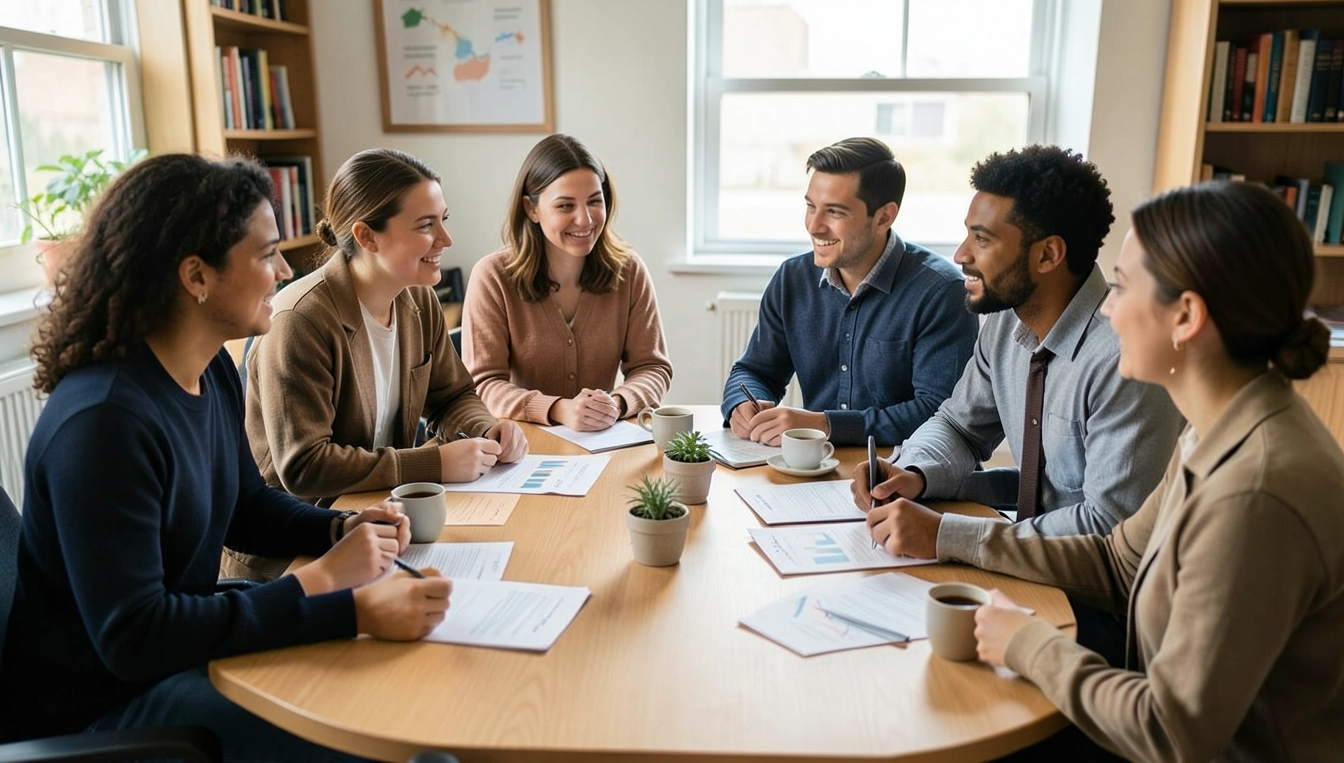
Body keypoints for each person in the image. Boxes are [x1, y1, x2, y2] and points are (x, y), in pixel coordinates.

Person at [0, 153, 452, 761]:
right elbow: (136, 638)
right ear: (196, 277)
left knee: (395, 697)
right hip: (105, 709)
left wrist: (342, 527)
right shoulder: (102, 423)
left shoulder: (208, 367)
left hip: (172, 656)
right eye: (265, 254)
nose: (285, 268)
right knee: (382, 734)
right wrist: (332, 596)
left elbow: (246, 505)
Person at [962, 181, 1342, 760]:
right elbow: (1119, 561)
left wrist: (1029, 644)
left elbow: (1170, 731)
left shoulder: (1255, 493)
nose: (1107, 309)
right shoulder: (1213, 429)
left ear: (1186, 316)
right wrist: (954, 540)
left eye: (1120, 286)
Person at [851, 146, 1183, 666]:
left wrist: (947, 535)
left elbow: (1108, 531)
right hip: (1025, 573)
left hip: (1105, 618)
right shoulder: (1006, 323)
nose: (961, 253)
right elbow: (958, 426)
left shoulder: (1125, 360)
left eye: (982, 239)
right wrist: (913, 473)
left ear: (1048, 256)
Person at [238, 149, 527, 579]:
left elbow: (453, 395)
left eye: (443, 219)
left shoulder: (418, 298)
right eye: (426, 226)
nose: (445, 240)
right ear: (367, 236)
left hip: (382, 524)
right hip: (298, 557)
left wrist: (485, 427)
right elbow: (305, 465)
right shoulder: (300, 321)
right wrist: (436, 463)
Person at [721, 137, 977, 447]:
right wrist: (743, 402)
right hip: (814, 469)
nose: (814, 226)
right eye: (810, 206)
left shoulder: (940, 292)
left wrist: (828, 425)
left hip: (906, 475)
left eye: (835, 212)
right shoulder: (792, 279)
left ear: (884, 217)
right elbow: (754, 370)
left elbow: (939, 413)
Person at [462, 133, 672, 430]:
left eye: (594, 202)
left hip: (602, 442)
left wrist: (617, 403)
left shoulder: (630, 271)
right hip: (522, 448)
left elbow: (653, 368)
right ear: (531, 209)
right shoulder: (492, 277)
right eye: (565, 206)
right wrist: (559, 409)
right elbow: (483, 385)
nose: (585, 220)